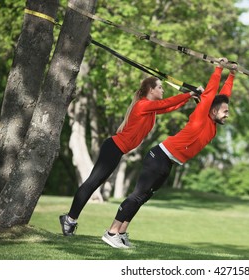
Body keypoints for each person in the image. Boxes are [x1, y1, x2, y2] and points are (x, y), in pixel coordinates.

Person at [101, 58, 237, 248]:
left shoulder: (213, 123)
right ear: (213, 110)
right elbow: (211, 94)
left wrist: (231, 74)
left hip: (169, 162)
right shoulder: (201, 115)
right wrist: (218, 68)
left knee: (144, 198)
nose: (227, 114)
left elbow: (223, 96)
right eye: (225, 112)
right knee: (138, 195)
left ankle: (121, 233)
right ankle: (111, 232)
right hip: (160, 156)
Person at [59, 76, 200, 236]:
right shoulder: (142, 105)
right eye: (160, 87)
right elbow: (165, 104)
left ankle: (69, 220)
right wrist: (188, 95)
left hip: (116, 150)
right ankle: (69, 220)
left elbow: (168, 108)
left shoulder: (150, 109)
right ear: (151, 89)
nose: (163, 90)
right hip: (112, 148)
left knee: (94, 183)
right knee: (92, 183)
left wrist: (190, 97)